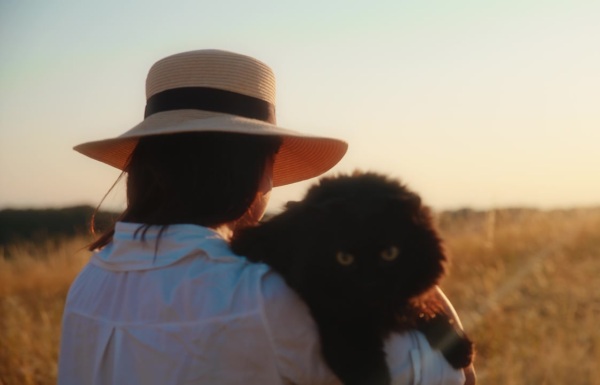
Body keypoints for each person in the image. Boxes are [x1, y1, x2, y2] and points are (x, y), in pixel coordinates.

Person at [59, 49, 476, 384]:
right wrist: (423, 292)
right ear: (258, 167)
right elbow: (452, 374)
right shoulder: (261, 296)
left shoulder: (90, 283)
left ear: (143, 165)